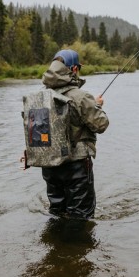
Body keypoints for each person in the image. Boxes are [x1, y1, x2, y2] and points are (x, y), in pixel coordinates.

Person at [40, 49, 109, 219]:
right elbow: (101, 124)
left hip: (49, 164)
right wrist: (96, 106)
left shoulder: (41, 96)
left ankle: (55, 235)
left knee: (57, 212)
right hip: (76, 166)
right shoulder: (81, 97)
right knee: (81, 216)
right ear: (74, 69)